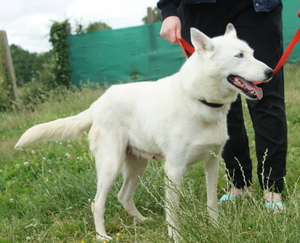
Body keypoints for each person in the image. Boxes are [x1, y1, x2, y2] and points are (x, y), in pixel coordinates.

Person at [157, 0, 287, 211]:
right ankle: (239, 183)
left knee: (266, 98)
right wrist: (168, 8)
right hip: (200, 8)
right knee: (216, 101)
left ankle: (272, 189)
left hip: (257, 7)